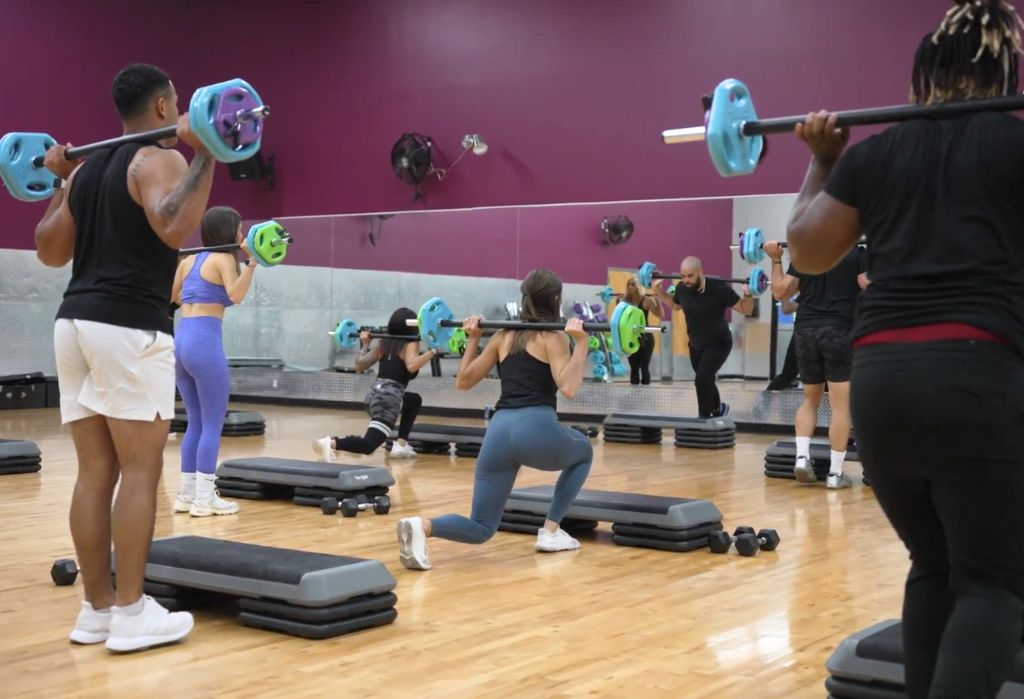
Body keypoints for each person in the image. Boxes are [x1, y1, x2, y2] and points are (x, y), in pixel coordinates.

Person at [786, 1, 1024, 695]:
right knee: (997, 583)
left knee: (935, 564)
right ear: (1006, 69)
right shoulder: (1013, 145)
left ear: (925, 73)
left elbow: (806, 246)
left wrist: (821, 163)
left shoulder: (875, 154)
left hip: (883, 381)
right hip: (975, 373)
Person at [35, 63, 214, 652]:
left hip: (74, 323)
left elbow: (48, 250)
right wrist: (209, 153)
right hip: (128, 326)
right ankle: (132, 613)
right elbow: (173, 224)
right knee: (140, 469)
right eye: (180, 103)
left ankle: (96, 611)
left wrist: (63, 181)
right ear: (164, 107)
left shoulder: (89, 172)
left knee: (95, 472)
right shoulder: (159, 158)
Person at [396, 269, 593, 570]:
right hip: (535, 427)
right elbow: (567, 387)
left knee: (482, 526)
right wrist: (581, 344)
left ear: (524, 298)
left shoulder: (503, 336)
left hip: (498, 432)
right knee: (583, 451)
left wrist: (473, 339)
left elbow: (463, 381)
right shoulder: (553, 337)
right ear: (556, 299)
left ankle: (423, 526)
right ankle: (551, 531)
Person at [170, 207, 255, 516]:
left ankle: (186, 495)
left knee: (195, 422)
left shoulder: (188, 260)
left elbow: (176, 297)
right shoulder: (223, 259)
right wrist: (252, 263)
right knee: (212, 425)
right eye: (240, 230)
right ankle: (205, 498)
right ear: (228, 232)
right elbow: (235, 295)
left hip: (181, 341)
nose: (243, 235)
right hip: (204, 343)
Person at [765, 241, 868, 489]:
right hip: (839, 331)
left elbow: (779, 292)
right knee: (840, 407)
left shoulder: (806, 253)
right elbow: (869, 286)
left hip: (805, 332)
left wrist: (776, 258)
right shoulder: (857, 252)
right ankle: (835, 473)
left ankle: (802, 457)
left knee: (810, 399)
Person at [312, 308, 436, 460]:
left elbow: (359, 366)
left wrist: (364, 345)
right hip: (388, 400)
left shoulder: (383, 344)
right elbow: (411, 365)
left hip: (373, 396)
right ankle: (331, 442)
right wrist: (432, 351)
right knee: (368, 446)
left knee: (413, 400)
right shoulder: (411, 343)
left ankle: (401, 445)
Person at [652, 257, 756, 417]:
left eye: (690, 276)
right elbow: (675, 305)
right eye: (683, 276)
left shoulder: (719, 288)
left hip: (719, 343)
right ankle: (717, 409)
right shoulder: (681, 288)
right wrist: (658, 290)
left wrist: (748, 294)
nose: (686, 280)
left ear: (700, 272)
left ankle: (703, 418)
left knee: (702, 379)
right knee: (706, 379)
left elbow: (745, 309)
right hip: (695, 345)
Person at [622, 275, 662, 385]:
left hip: (645, 337)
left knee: (644, 367)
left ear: (638, 286)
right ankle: (634, 397)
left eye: (633, 284)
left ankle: (645, 396)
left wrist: (658, 302)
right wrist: (618, 303)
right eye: (629, 284)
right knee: (634, 367)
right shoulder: (625, 301)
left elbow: (660, 314)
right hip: (630, 337)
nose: (630, 287)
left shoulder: (646, 301)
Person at [766, 296, 801, 391]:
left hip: (805, 334)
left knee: (787, 375)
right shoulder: (810, 290)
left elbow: (786, 308)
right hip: (805, 335)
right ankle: (763, 403)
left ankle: (763, 403)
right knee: (831, 378)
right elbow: (786, 308)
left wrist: (784, 291)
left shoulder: (810, 291)